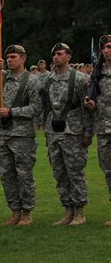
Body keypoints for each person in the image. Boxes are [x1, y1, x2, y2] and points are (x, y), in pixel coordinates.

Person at [0, 45, 42, 226]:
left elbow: (36, 108)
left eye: (13, 57)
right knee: (6, 175)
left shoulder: (32, 81)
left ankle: (27, 212)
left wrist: (12, 111)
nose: (10, 60)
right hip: (2, 135)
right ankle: (15, 211)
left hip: (22, 136)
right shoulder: (1, 77)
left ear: (23, 58)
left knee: (24, 175)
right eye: (8, 57)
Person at [43, 43, 93, 225]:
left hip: (73, 132)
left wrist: (88, 133)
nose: (56, 57)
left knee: (75, 172)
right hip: (53, 131)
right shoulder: (48, 79)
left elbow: (86, 108)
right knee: (59, 172)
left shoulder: (81, 79)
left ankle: (79, 211)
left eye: (59, 54)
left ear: (69, 57)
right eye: (54, 54)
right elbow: (46, 106)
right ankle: (67, 209)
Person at [84, 34, 111, 227]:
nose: (107, 51)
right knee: (108, 171)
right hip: (103, 128)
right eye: (105, 48)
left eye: (110, 46)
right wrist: (91, 104)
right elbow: (96, 102)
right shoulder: (97, 73)